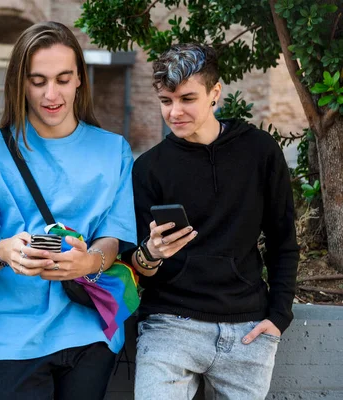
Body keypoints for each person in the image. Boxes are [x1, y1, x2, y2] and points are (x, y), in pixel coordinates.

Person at [0, 21, 136, 400]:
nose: (52, 94)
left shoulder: (114, 150)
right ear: (20, 83)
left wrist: (90, 261)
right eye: (38, 80)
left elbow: (113, 236)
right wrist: (6, 251)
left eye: (63, 79)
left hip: (90, 326)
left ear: (80, 79)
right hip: (13, 334)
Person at [129, 43, 299, 399]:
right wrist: (151, 253)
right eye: (166, 101)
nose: (174, 112)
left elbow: (284, 240)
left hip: (248, 329)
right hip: (170, 325)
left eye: (187, 99)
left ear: (215, 94)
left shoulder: (260, 151)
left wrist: (279, 317)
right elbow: (138, 267)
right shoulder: (148, 168)